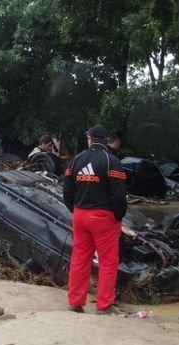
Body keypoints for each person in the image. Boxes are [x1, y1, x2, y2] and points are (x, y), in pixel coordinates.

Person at [62, 125, 127, 315]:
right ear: (106, 140)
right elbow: (119, 196)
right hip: (103, 217)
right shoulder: (111, 161)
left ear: (89, 139)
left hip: (80, 215)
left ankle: (75, 303)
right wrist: (118, 217)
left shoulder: (76, 160)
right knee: (107, 261)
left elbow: (67, 191)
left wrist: (75, 210)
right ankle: (104, 305)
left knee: (80, 259)